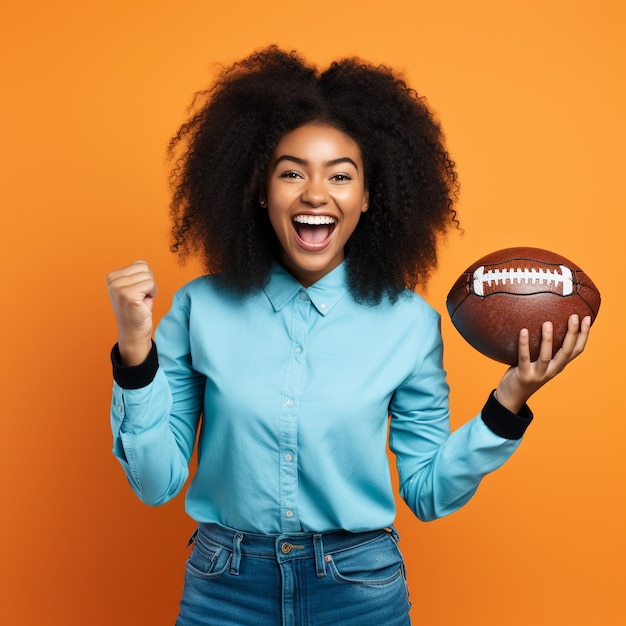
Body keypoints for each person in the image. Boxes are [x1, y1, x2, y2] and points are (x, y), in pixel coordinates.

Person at [106, 46, 590, 626]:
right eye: (292, 173)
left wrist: (510, 400)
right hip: (224, 588)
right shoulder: (199, 309)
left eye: (340, 175)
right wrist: (136, 356)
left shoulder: (408, 324)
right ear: (261, 191)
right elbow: (156, 484)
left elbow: (427, 492)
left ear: (366, 199)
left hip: (358, 589)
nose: (316, 193)